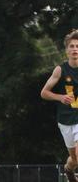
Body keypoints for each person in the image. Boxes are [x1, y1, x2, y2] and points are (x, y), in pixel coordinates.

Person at [41, 30, 78, 182]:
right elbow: (44, 93)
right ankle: (69, 171)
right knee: (74, 159)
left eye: (77, 46)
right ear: (66, 50)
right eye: (72, 46)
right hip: (65, 119)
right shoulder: (60, 70)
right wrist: (61, 97)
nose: (75, 49)